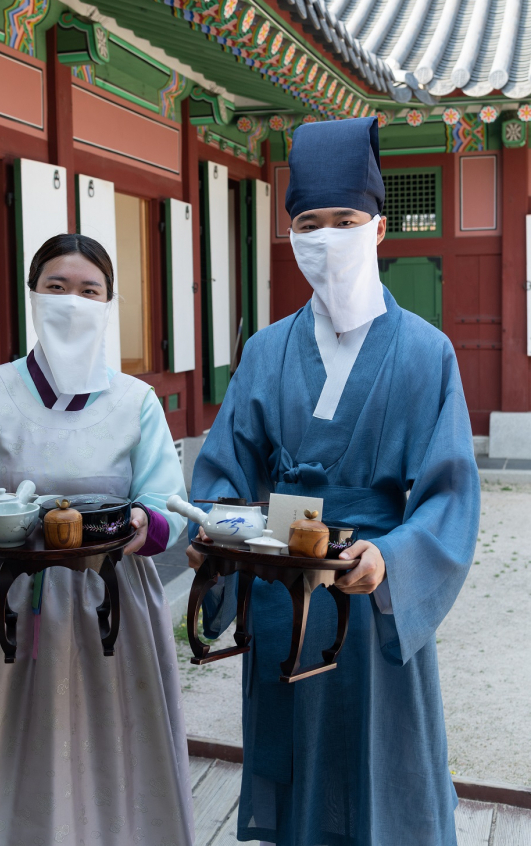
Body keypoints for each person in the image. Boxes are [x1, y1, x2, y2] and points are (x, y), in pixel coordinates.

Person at [186, 118, 480, 846]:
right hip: (282, 599)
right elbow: (224, 473)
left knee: (385, 767)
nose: (326, 237)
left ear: (378, 228)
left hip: (371, 593)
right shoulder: (264, 351)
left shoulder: (425, 353)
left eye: (344, 220)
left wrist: (392, 560)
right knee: (296, 778)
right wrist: (214, 538)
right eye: (307, 223)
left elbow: (448, 495)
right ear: (289, 236)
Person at [0, 234, 194, 845]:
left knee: (103, 747)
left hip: (109, 604)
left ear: (110, 303)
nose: (73, 302)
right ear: (33, 297)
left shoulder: (136, 402)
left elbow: (167, 504)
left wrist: (143, 526)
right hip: (0, 600)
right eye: (57, 288)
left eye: (90, 291)